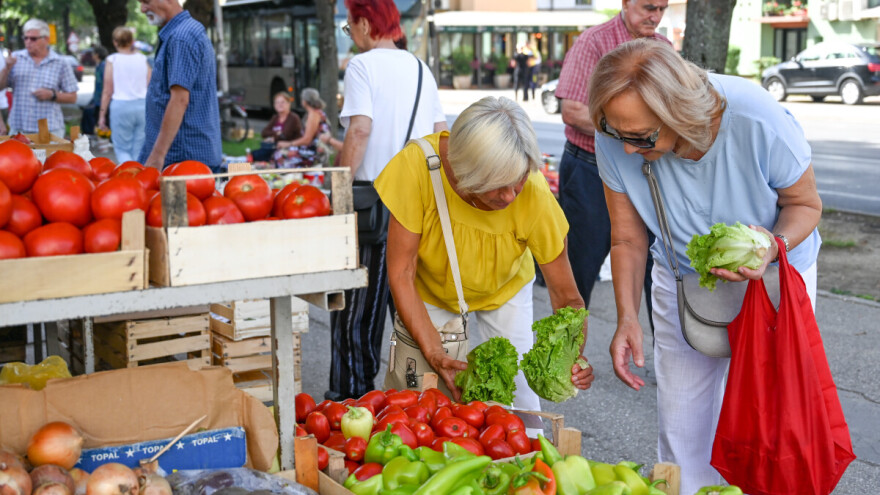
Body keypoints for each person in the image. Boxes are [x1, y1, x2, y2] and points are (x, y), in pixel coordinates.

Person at [591, 39, 822, 494]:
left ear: (679, 112)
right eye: (617, 135)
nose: (628, 151)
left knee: (772, 422)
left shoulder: (756, 117)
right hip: (681, 281)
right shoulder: (616, 131)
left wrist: (771, 246)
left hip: (775, 277)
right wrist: (626, 318)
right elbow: (627, 237)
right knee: (682, 426)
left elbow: (805, 204)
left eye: (642, 138)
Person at [377, 96, 594, 417]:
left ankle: (526, 457)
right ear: (465, 172)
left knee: (521, 401)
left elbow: (568, 300)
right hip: (430, 289)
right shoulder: (417, 168)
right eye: (496, 186)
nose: (509, 196)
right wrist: (435, 353)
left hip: (506, 287)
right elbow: (401, 272)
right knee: (421, 401)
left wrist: (570, 359)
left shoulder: (533, 193)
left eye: (518, 181)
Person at [328, 0, 447, 401]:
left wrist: (340, 190)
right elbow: (440, 134)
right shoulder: (419, 69)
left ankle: (351, 401)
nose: (352, 35)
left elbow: (359, 130)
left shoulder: (362, 66)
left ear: (363, 22)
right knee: (409, 311)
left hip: (372, 206)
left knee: (358, 315)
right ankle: (411, 403)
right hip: (417, 204)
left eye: (349, 28)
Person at [554, 0, 669, 322]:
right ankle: (565, 363)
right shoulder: (594, 41)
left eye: (662, 9)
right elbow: (573, 110)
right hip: (590, 169)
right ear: (626, 3)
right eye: (649, 7)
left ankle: (669, 366)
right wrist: (632, 131)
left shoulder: (664, 48)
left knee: (658, 268)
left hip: (647, 173)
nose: (655, 16)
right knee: (579, 272)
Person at [137, 0, 221, 171]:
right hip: (181, 155)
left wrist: (157, 155)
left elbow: (180, 100)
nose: (142, 8)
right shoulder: (182, 32)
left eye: (146, 2)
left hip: (181, 159)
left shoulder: (181, 37)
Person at [0, 19, 78, 138]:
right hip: (19, 129)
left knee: (50, 157)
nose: (28, 42)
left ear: (46, 39)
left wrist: (52, 95)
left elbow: (73, 97)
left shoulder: (60, 62)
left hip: (49, 130)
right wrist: (7, 68)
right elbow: (1, 87)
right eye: (25, 38)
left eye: (33, 39)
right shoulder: (16, 58)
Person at [98, 27, 150, 164]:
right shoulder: (142, 59)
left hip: (121, 106)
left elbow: (107, 90)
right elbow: (149, 84)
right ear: (132, 41)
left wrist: (102, 115)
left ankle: (128, 178)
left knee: (122, 149)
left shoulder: (112, 60)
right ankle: (140, 179)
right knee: (139, 148)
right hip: (142, 105)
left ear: (115, 42)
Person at [274, 88, 330, 168]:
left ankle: (288, 178)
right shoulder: (317, 112)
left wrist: (288, 144)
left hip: (313, 153)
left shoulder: (313, 115)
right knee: (281, 151)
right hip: (312, 149)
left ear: (304, 101)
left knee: (279, 154)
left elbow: (307, 140)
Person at [253, 91, 302, 163]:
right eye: (277, 102)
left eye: (283, 102)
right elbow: (264, 133)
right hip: (274, 148)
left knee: (256, 156)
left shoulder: (293, 118)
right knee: (253, 155)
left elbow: (285, 135)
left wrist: (273, 137)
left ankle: (239, 167)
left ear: (289, 104)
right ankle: (236, 167)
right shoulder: (275, 117)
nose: (280, 105)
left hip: (289, 150)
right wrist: (277, 133)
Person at [79, 46, 108, 136]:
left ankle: (101, 137)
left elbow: (104, 84)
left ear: (97, 55)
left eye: (93, 53)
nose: (92, 55)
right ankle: (97, 136)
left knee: (96, 117)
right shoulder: (99, 66)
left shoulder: (103, 67)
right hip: (98, 98)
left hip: (101, 99)